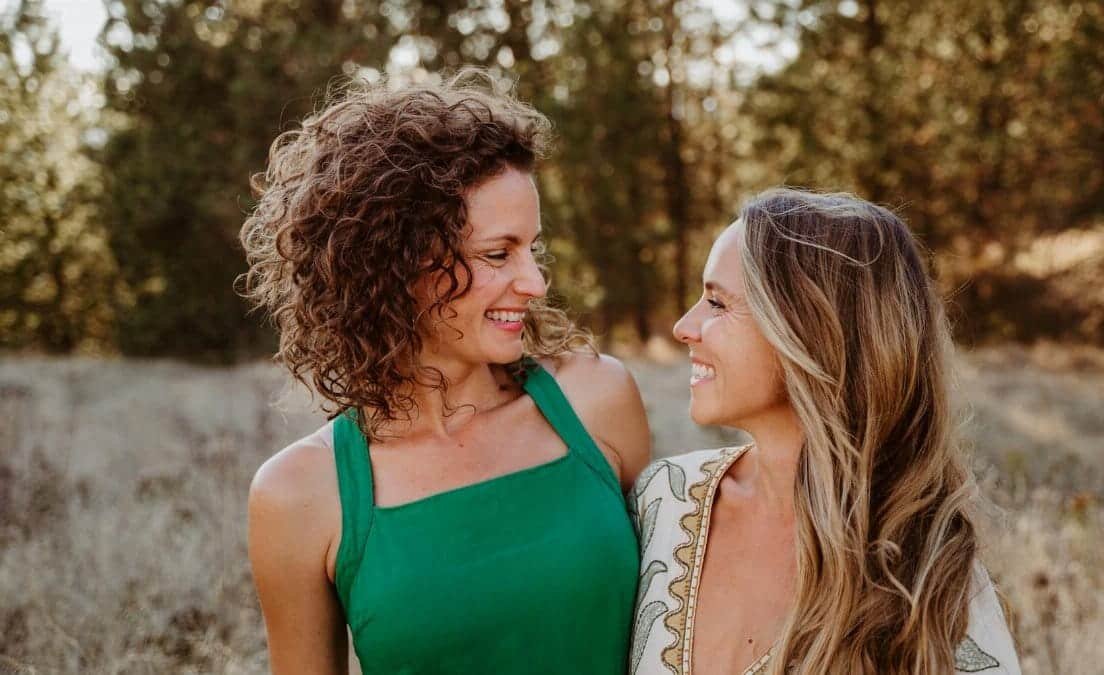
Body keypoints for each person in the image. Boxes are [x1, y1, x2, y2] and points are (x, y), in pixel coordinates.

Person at [240, 71, 650, 675]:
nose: (535, 282)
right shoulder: (300, 492)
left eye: (532, 249)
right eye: (497, 253)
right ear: (394, 261)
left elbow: (683, 623)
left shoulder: (596, 400)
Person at [628, 189, 1021, 674]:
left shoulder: (931, 581)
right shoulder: (664, 499)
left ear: (811, 332)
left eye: (717, 303)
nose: (683, 327)